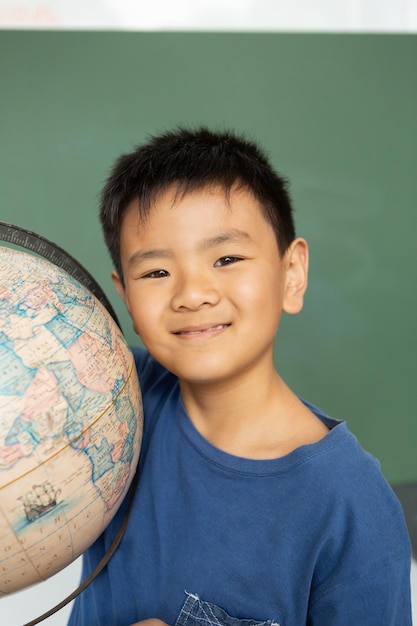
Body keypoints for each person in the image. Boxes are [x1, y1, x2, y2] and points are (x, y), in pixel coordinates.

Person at [68, 127, 412, 626]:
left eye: (226, 259)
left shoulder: (350, 506)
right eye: (156, 273)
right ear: (125, 297)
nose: (192, 293)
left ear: (291, 274)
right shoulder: (110, 394)